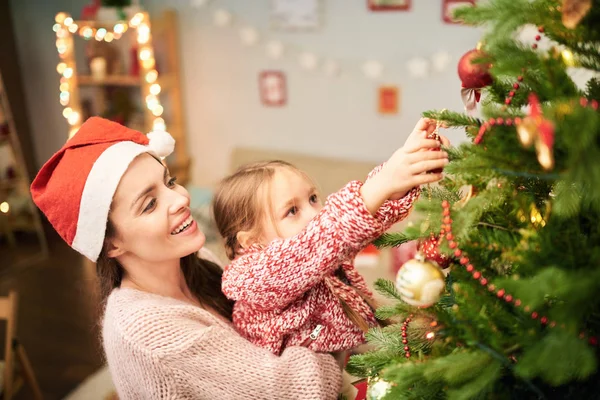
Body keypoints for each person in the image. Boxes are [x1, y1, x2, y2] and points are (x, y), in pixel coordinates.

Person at [30, 117, 343, 399]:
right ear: (111, 245)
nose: (181, 198)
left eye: (169, 182)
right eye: (150, 204)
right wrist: (329, 327)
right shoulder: (145, 330)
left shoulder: (196, 259)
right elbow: (304, 389)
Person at [213, 118, 450, 357]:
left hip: (366, 346)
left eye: (313, 198)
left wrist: (401, 174)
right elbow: (322, 238)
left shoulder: (325, 251)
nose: (315, 213)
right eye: (292, 211)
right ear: (251, 242)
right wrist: (382, 182)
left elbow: (359, 223)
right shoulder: (253, 277)